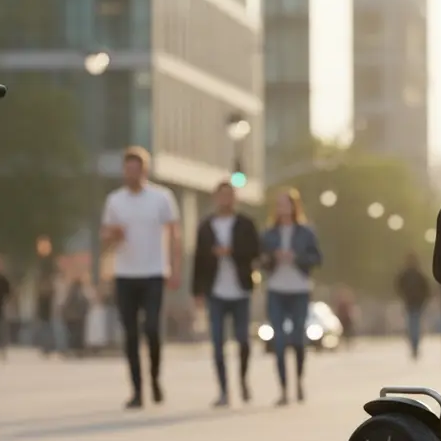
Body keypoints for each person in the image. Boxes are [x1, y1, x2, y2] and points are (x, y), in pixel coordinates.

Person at [100, 146, 182, 409]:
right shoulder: (115, 201)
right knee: (130, 334)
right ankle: (137, 390)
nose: (132, 174)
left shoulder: (162, 198)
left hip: (154, 273)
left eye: (137, 169)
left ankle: (155, 379)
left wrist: (175, 268)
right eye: (128, 169)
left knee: (152, 329)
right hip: (124, 274)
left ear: (144, 171)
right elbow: (105, 238)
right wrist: (113, 236)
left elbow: (175, 235)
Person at [192, 181, 260, 406]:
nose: (225, 200)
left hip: (240, 290)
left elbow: (255, 251)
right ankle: (223, 390)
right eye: (221, 196)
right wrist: (197, 291)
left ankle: (243, 381)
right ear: (215, 198)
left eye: (229, 196)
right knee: (218, 342)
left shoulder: (245, 224)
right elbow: (198, 260)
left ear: (235, 198)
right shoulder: (206, 226)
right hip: (215, 291)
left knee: (243, 340)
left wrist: (232, 251)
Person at [261, 187, 323, 405]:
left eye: (286, 204)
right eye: (279, 204)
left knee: (298, 338)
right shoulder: (269, 233)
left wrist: (296, 257)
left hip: (299, 289)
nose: (282, 208)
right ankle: (283, 388)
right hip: (276, 289)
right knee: (278, 340)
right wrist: (272, 257)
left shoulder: (306, 232)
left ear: (294, 206)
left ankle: (298, 381)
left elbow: (317, 258)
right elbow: (261, 260)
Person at [395, 253, 431, 360]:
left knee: (413, 324)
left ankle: (414, 345)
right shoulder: (409, 274)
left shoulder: (415, 275)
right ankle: (414, 344)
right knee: (413, 325)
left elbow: (426, 288)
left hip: (415, 303)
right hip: (411, 303)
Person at [34, 236, 58, 356]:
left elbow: (51, 279)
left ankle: (49, 346)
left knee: (48, 322)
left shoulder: (49, 263)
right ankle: (45, 346)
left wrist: (48, 288)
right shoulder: (41, 262)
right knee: (43, 321)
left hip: (48, 296)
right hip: (43, 296)